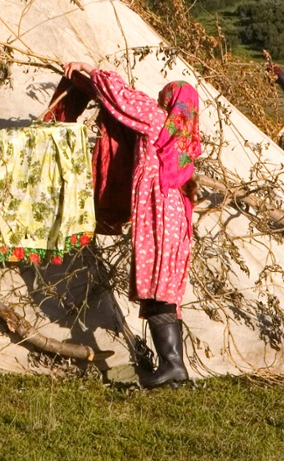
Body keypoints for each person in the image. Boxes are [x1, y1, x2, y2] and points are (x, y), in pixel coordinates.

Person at [59, 61, 201, 389]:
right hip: (174, 216)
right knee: (160, 286)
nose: (160, 101)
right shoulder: (186, 137)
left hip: (160, 214)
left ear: (171, 103)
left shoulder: (157, 121)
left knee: (158, 286)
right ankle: (172, 368)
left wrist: (89, 71)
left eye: (165, 97)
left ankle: (172, 366)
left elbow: (121, 97)